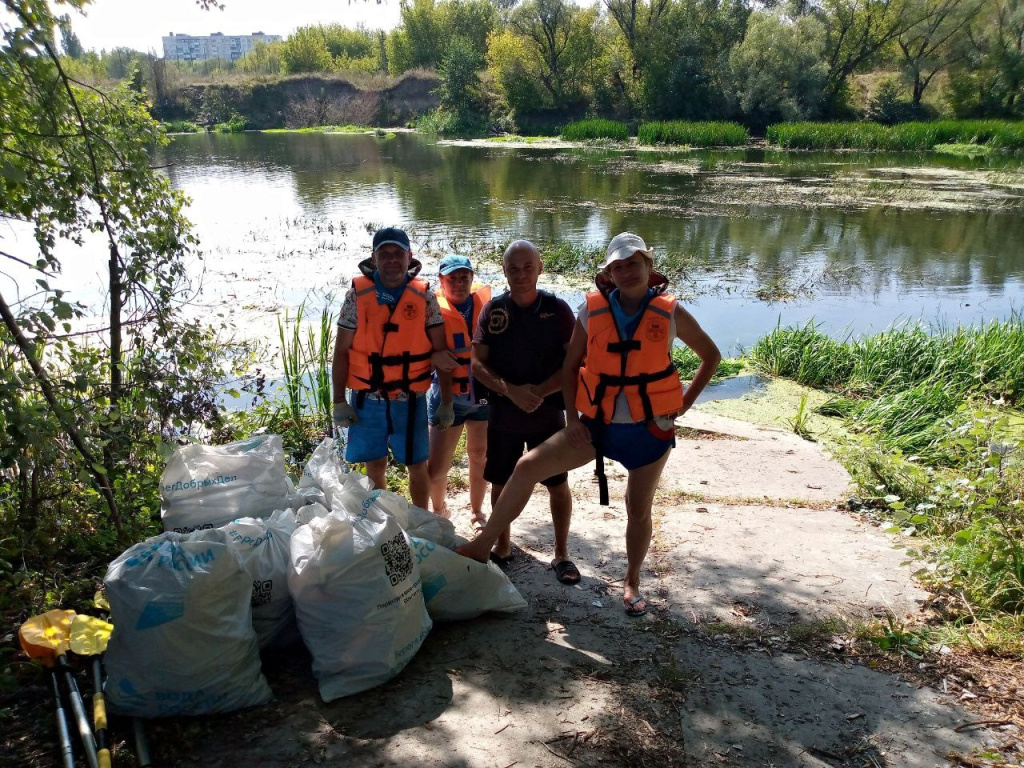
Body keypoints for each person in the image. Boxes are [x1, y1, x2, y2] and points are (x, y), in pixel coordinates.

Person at [458, 232, 721, 617]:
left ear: (649, 266)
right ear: (609, 274)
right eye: (618, 266)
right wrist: (572, 419)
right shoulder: (591, 310)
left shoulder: (670, 312)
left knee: (638, 507)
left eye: (633, 263)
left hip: (649, 430)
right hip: (596, 427)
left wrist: (683, 403)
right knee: (527, 466)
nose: (627, 272)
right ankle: (483, 548)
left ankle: (631, 582)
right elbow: (570, 368)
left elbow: (710, 356)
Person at [469, 240, 578, 577]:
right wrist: (510, 391)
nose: (521, 274)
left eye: (528, 266)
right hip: (505, 414)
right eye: (513, 268)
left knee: (557, 484)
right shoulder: (493, 311)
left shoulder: (558, 310)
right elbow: (476, 363)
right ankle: (502, 546)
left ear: (540, 268)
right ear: (504, 271)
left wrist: (540, 392)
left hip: (548, 415)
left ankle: (561, 554)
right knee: (501, 482)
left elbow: (574, 362)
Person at [331, 227, 458, 509]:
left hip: (409, 397)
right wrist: (339, 400)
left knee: (416, 463)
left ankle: (420, 519)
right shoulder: (356, 295)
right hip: (367, 396)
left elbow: (441, 353)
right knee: (375, 462)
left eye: (397, 253)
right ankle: (381, 516)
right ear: (374, 258)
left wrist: (446, 403)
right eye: (384, 254)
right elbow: (341, 351)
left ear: (409, 257)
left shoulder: (424, 297)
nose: (391, 260)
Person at [427, 254, 492, 532]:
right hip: (446, 397)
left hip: (482, 396)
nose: (458, 283)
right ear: (441, 282)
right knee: (437, 467)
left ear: (471, 279)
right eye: (451, 278)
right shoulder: (430, 311)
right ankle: (440, 512)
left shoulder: (487, 307)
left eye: (464, 277)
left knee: (479, 455)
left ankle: (477, 513)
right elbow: (416, 352)